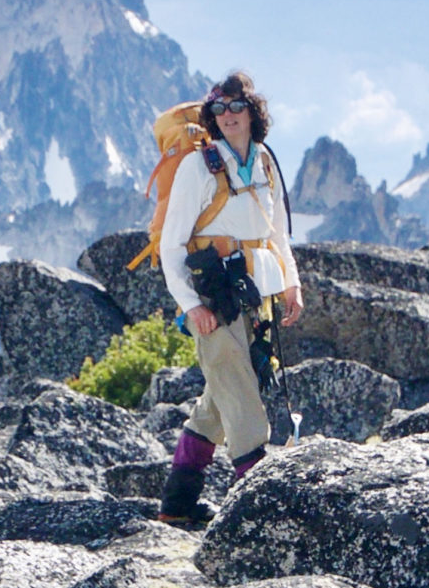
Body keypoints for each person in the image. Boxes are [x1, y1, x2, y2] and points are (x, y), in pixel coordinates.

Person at [156, 71, 303, 526]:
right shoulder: (198, 166)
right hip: (212, 293)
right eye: (218, 110)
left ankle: (177, 505)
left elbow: (277, 231)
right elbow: (171, 245)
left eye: (236, 108)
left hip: (255, 292)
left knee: (223, 395)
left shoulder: (265, 163)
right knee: (238, 389)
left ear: (253, 113)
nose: (228, 117)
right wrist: (190, 305)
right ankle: (255, 506)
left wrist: (290, 283)